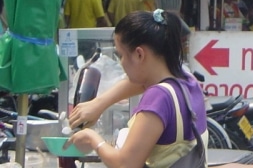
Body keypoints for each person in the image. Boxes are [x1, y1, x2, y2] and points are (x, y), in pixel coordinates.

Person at [67, 10, 207, 168]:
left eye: (121, 55)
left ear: (139, 54)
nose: (121, 63)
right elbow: (139, 82)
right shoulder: (187, 80)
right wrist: (99, 104)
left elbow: (125, 164)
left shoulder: (159, 97)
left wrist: (92, 139)